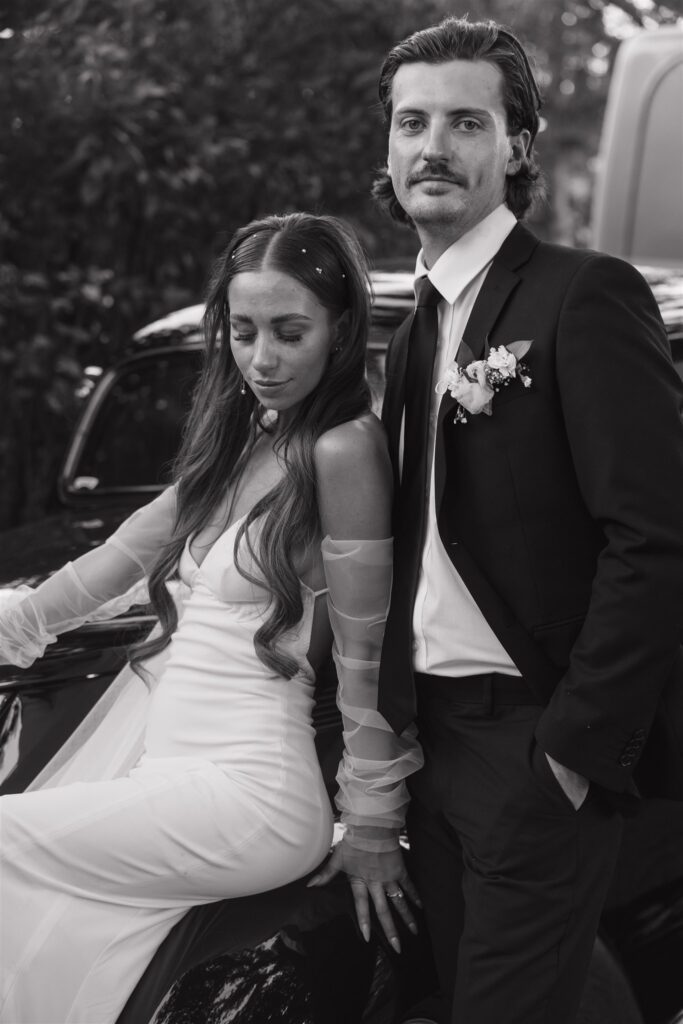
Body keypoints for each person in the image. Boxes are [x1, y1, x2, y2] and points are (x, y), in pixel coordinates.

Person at [0, 212, 423, 1024]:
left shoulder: (343, 450)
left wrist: (372, 820)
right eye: (243, 330)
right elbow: (112, 564)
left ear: (338, 333)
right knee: (40, 937)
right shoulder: (241, 438)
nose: (261, 359)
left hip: (251, 794)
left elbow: (366, 648)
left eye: (289, 333)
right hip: (169, 776)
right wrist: (16, 623)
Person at [371, 15, 683, 1024]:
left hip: (532, 749)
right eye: (410, 122)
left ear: (514, 146)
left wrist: (573, 751)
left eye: (465, 122)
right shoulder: (410, 334)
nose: (432, 147)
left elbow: (655, 537)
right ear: (385, 147)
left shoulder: (580, 297)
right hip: (431, 750)